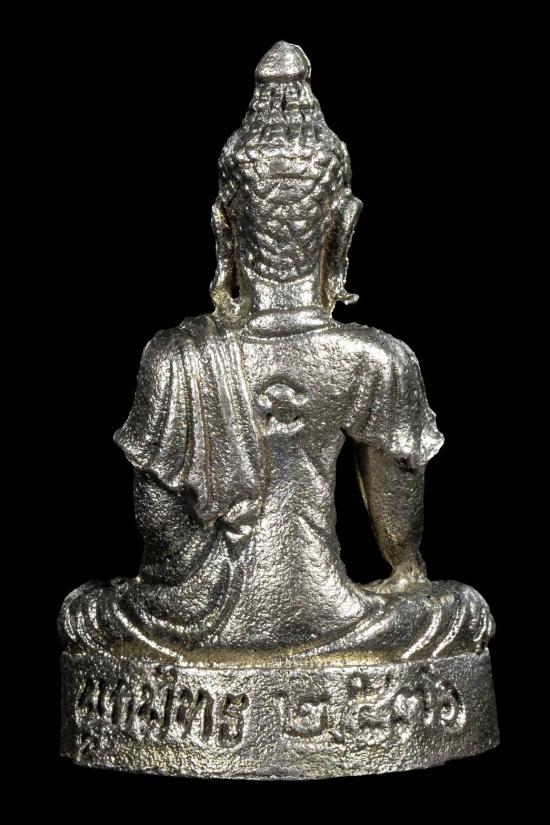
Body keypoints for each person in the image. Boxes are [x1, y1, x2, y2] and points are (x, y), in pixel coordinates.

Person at [60, 42, 493, 662]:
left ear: (223, 228)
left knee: (85, 614)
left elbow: (159, 531)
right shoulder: (377, 359)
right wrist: (408, 575)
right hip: (336, 617)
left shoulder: (174, 357)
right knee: (459, 612)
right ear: (344, 227)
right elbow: (400, 543)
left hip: (193, 620)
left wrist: (186, 595)